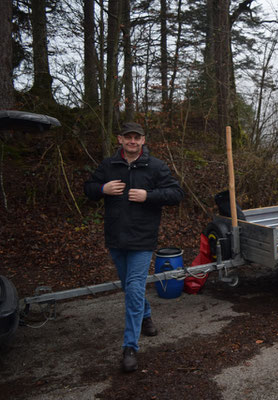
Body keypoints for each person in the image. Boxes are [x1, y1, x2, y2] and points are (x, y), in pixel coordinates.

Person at [84, 122, 184, 372]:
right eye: (127, 137)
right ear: (120, 139)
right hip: (116, 237)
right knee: (129, 286)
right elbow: (88, 189)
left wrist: (148, 196)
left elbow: (176, 194)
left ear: (143, 140)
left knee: (135, 286)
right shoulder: (109, 165)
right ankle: (146, 317)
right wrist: (102, 189)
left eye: (136, 137)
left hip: (142, 238)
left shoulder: (156, 166)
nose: (132, 141)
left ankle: (130, 347)